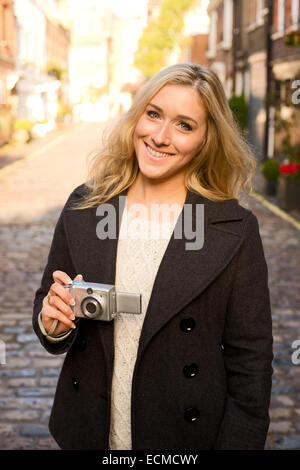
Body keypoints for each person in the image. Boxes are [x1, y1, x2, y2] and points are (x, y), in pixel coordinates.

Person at [32, 62, 273, 450]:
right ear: (137, 116)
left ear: (207, 139)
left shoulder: (233, 229)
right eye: (154, 114)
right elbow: (49, 313)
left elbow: (251, 367)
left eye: (184, 125)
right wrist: (53, 322)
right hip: (90, 433)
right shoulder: (86, 206)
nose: (160, 137)